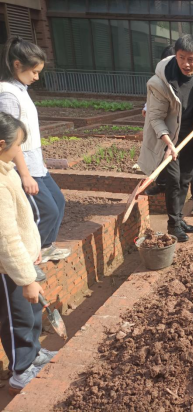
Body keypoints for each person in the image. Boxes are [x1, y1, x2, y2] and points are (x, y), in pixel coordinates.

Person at [0, 36, 70, 275]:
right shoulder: (7, 94)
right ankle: (26, 262)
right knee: (45, 212)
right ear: (17, 65)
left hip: (35, 163)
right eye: (34, 71)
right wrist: (26, 175)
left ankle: (46, 247)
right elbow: (12, 140)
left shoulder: (21, 89)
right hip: (23, 166)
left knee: (58, 202)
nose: (37, 77)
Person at [138, 34, 193, 242]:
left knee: (185, 178)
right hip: (167, 137)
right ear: (176, 55)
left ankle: (179, 218)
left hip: (191, 134)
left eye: (191, 59)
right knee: (173, 180)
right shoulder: (160, 82)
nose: (186, 63)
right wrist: (168, 144)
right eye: (181, 57)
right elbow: (155, 118)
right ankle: (173, 225)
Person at [0, 113, 57, 396]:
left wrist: (32, 253)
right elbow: (6, 239)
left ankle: (33, 354)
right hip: (8, 270)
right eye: (18, 145)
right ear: (2, 144)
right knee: (17, 319)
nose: (19, 151)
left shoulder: (5, 169)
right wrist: (25, 279)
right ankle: (21, 372)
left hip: (21, 261)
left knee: (32, 313)